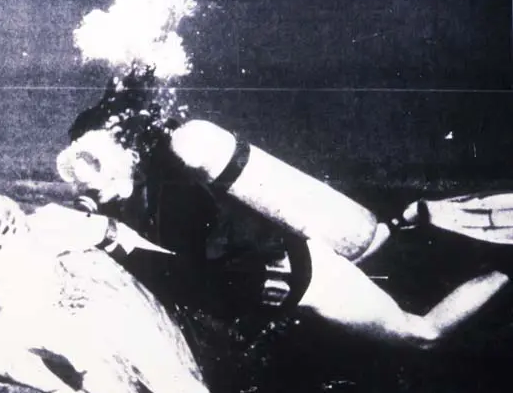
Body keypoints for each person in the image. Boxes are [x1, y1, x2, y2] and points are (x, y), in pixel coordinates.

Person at [56, 66, 511, 359]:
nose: (92, 192)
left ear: (125, 159)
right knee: (382, 246)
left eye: (97, 179)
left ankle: (503, 269)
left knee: (421, 334)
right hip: (293, 265)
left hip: (309, 278)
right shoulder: (147, 180)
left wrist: (110, 241)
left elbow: (192, 274)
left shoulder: (175, 199)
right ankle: (407, 226)